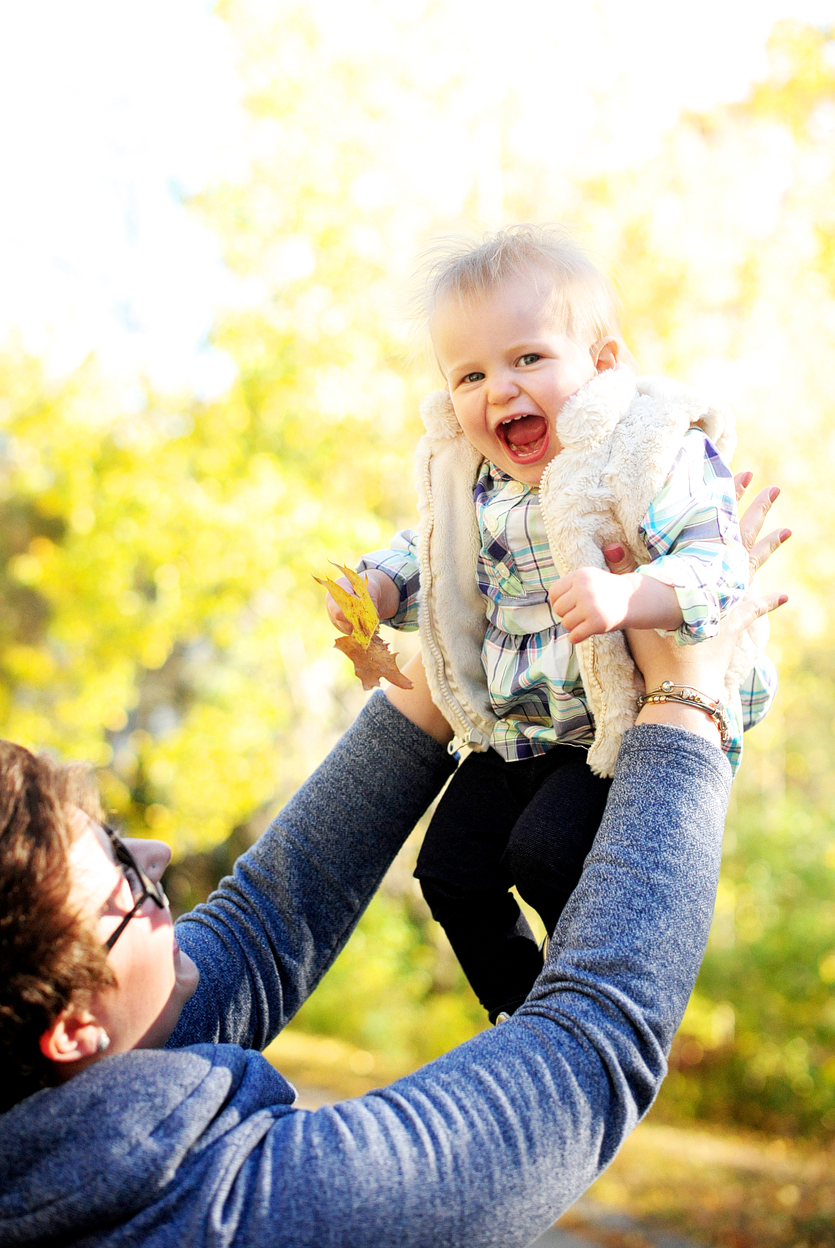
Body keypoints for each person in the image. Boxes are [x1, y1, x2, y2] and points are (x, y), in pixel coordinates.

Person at [0, 484, 786, 1247]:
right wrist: (687, 697)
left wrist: (466, 636)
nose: (156, 856)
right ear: (72, 1028)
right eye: (124, 875)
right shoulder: (243, 1217)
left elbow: (269, 921)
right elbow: (590, 1052)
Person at [328, 224, 777, 1022]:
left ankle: (603, 1003)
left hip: (606, 732)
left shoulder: (648, 454)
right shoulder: (477, 484)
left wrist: (628, 595)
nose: (499, 390)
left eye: (527, 358)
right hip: (515, 731)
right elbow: (430, 559)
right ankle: (523, 1013)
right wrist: (378, 592)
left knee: (546, 853)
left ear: (602, 364)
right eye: (470, 375)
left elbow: (718, 563)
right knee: (451, 870)